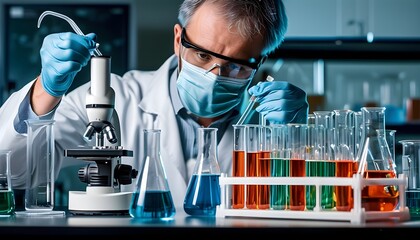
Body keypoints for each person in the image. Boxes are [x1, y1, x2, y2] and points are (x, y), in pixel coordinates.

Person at [0, 0, 308, 210]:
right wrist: (46, 91)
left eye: (237, 66)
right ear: (178, 39)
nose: (215, 77)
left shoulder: (275, 121)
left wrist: (296, 138)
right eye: (202, 56)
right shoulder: (117, 97)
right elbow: (11, 170)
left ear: (260, 63)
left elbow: (313, 210)